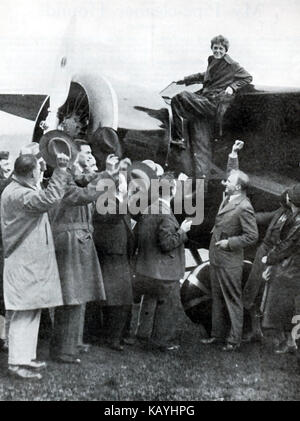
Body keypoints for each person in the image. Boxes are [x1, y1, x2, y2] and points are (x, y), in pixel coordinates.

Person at [1, 152, 70, 379]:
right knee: (23, 312)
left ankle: (26, 357)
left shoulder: (16, 188)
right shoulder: (20, 195)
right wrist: (60, 169)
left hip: (27, 261)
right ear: (32, 172)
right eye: (38, 170)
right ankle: (17, 363)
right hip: (24, 262)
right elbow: (50, 199)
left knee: (31, 309)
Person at [49, 154, 120, 364]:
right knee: (72, 297)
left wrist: (106, 174)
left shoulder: (70, 177)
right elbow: (83, 194)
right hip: (72, 243)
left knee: (76, 298)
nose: (89, 162)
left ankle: (70, 346)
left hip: (76, 241)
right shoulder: (64, 179)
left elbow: (87, 180)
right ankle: (64, 350)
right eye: (85, 157)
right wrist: (107, 174)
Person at [201, 140, 258, 351]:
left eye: (229, 181)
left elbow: (252, 236)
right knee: (217, 298)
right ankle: (217, 335)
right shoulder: (230, 195)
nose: (225, 182)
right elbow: (232, 172)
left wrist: (230, 242)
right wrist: (233, 153)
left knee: (232, 300)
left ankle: (234, 340)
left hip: (229, 259)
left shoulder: (244, 207)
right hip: (217, 257)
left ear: (239, 187)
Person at [133, 171, 192, 351]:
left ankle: (142, 334)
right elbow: (167, 244)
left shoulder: (149, 209)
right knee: (167, 305)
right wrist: (182, 231)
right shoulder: (165, 214)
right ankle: (162, 341)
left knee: (149, 300)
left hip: (147, 268)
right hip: (165, 271)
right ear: (172, 191)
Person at [171, 35, 253, 149]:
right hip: (205, 99)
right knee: (178, 100)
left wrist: (232, 87)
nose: (217, 51)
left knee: (179, 98)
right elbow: (204, 75)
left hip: (214, 103)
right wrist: (185, 80)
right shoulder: (213, 60)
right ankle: (181, 139)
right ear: (212, 48)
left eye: (221, 49)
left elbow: (248, 77)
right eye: (215, 48)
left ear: (225, 50)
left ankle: (178, 139)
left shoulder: (232, 65)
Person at [242, 190, 291, 342]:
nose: (287, 197)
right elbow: (265, 217)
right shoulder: (282, 211)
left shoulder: (295, 219)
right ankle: (256, 331)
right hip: (263, 254)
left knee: (273, 300)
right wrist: (246, 216)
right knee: (253, 294)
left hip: (275, 260)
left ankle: (285, 340)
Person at [261, 184, 300, 354]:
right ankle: (289, 339)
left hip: (291, 270)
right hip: (290, 267)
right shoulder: (294, 216)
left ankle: (290, 341)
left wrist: (269, 259)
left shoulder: (298, 221)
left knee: (286, 305)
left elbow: (287, 245)